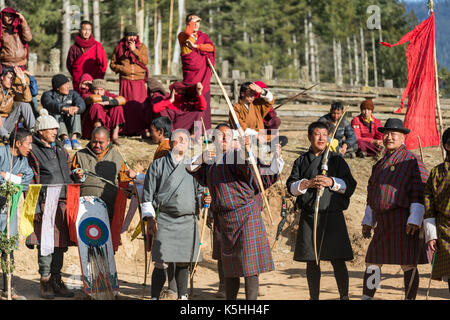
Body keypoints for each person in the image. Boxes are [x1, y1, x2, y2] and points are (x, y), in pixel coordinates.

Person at [187, 123, 283, 300]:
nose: (224, 138)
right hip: (224, 219)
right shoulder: (210, 162)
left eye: (228, 136)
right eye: (219, 136)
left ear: (233, 140)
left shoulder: (238, 156)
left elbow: (249, 166)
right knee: (230, 268)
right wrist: (202, 157)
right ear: (213, 140)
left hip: (246, 216)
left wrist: (246, 150)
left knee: (250, 267)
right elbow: (190, 168)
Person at [286, 121, 356, 300]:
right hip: (310, 217)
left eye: (325, 135)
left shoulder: (336, 160)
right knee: (312, 261)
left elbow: (350, 185)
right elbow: (291, 187)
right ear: (310, 137)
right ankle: (314, 297)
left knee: (338, 260)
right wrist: (307, 184)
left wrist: (331, 182)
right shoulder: (301, 161)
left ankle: (344, 296)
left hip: (332, 217)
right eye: (317, 134)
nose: (321, 138)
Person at [361, 118, 429, 300]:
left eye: (394, 134)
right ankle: (367, 297)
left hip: (404, 221)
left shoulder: (412, 161)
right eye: (386, 134)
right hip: (383, 222)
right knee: (373, 262)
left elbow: (420, 190)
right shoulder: (379, 165)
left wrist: (415, 219)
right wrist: (368, 221)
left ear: (403, 138)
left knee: (408, 265)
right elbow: (372, 194)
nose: (389, 137)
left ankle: (409, 298)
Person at [141, 129, 208, 300]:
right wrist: (150, 219)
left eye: (185, 139)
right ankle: (155, 297)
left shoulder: (194, 167)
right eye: (178, 139)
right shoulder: (157, 165)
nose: (182, 142)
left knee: (184, 261)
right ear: (171, 143)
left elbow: (200, 192)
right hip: (164, 219)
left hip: (187, 220)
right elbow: (147, 196)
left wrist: (205, 199)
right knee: (161, 261)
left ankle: (183, 296)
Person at [26, 109, 76, 299]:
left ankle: (57, 280)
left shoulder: (60, 148)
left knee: (60, 244)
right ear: (41, 132)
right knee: (46, 244)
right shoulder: (33, 151)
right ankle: (45, 282)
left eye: (56, 128)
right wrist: (35, 207)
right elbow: (30, 180)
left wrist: (75, 176)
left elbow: (66, 173)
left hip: (64, 201)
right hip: (46, 202)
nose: (55, 132)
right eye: (51, 129)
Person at [72, 126, 136, 221]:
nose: (97, 145)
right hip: (84, 210)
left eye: (101, 143)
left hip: (109, 211)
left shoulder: (116, 157)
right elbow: (71, 179)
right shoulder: (80, 155)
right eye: (94, 141)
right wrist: (76, 175)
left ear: (108, 141)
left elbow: (124, 182)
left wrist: (131, 185)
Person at [0, 128, 33, 300]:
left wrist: (6, 175)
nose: (30, 148)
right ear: (18, 143)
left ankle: (8, 288)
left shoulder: (23, 160)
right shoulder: (0, 152)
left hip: (9, 210)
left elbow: (27, 177)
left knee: (9, 248)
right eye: (28, 143)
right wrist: (13, 178)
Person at [424, 127, 450, 294]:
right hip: (445, 229)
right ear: (447, 146)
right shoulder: (437, 172)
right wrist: (431, 235)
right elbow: (429, 205)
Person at [178, 14, 215, 132]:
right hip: (190, 77)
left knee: (203, 101)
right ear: (188, 24)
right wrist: (191, 24)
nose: (196, 24)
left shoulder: (203, 36)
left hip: (202, 75)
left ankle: (201, 132)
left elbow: (211, 48)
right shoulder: (182, 36)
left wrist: (197, 46)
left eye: (198, 22)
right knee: (191, 103)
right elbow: (188, 35)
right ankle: (190, 130)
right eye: (193, 22)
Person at [110, 25, 149, 136]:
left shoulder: (142, 47)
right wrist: (122, 69)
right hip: (125, 80)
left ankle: (141, 130)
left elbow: (145, 61)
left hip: (139, 81)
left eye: (134, 35)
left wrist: (134, 50)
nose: (132, 38)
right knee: (127, 107)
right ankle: (127, 130)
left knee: (140, 106)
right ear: (125, 36)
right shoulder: (119, 47)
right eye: (129, 35)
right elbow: (112, 64)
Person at [40, 74, 86, 151]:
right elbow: (50, 104)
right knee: (56, 112)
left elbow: (81, 103)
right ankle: (65, 139)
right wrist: (63, 109)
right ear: (58, 87)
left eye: (68, 84)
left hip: (70, 123)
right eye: (65, 85)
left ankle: (74, 139)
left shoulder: (73, 94)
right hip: (57, 125)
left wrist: (76, 108)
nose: (68, 86)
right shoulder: (47, 95)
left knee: (76, 111)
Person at [66, 20, 107, 94]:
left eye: (89, 30)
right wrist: (76, 76)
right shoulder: (74, 48)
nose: (87, 32)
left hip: (94, 80)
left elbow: (103, 64)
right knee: (79, 100)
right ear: (80, 30)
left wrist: (98, 78)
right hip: (79, 80)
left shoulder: (97, 46)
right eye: (84, 29)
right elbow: (70, 65)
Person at [82, 79, 126, 145]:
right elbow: (92, 99)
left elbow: (122, 100)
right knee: (96, 107)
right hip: (91, 126)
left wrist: (109, 102)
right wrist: (108, 99)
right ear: (92, 89)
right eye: (96, 89)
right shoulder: (87, 95)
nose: (99, 92)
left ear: (104, 90)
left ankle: (115, 137)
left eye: (101, 90)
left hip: (108, 123)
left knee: (118, 108)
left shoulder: (107, 94)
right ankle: (98, 136)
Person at [0, 66, 35, 142]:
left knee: (24, 105)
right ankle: (5, 137)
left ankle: (32, 130)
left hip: (6, 122)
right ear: (2, 77)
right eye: (9, 78)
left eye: (13, 79)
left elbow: (27, 99)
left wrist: (22, 80)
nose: (11, 81)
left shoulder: (11, 91)